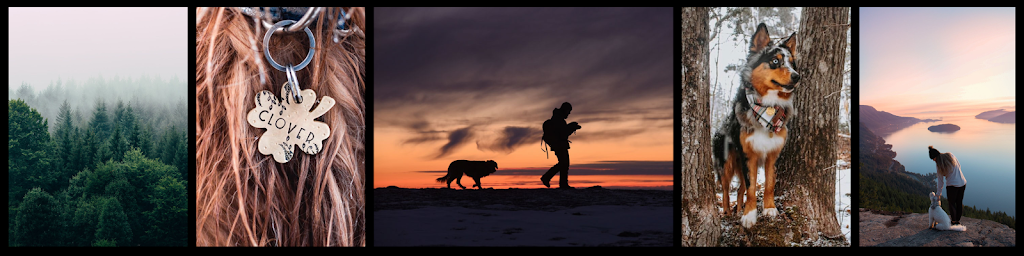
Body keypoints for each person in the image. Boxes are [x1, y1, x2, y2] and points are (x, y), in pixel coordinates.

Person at [541, 102, 581, 189]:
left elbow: (563, 132)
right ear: (565, 110)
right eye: (568, 111)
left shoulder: (558, 118)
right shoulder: (558, 119)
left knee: (564, 163)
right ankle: (547, 178)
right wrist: (572, 127)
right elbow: (563, 134)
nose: (569, 113)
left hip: (559, 144)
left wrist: (571, 127)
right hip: (559, 144)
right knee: (564, 163)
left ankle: (562, 184)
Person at [930, 146, 967, 226]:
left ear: (935, 157)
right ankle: (957, 221)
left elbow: (940, 181)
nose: (933, 161)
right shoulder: (950, 155)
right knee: (959, 202)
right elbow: (959, 166)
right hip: (962, 183)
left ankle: (954, 222)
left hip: (952, 186)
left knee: (952, 203)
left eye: (933, 159)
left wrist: (938, 194)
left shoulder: (939, 165)